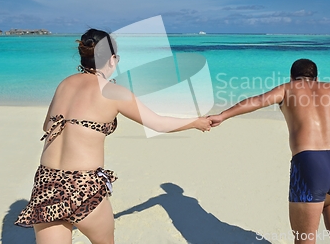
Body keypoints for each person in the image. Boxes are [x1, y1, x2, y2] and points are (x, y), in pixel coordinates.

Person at [15, 29, 212, 244]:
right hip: (83, 186)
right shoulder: (113, 92)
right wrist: (195, 122)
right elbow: (158, 123)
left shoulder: (65, 84)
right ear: (113, 59)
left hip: (47, 185)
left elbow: (47, 127)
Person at [208, 58, 330, 244]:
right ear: (316, 78)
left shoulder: (286, 89)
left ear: (292, 77)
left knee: (304, 238)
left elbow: (257, 101)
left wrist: (223, 115)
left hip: (310, 164)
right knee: (327, 202)